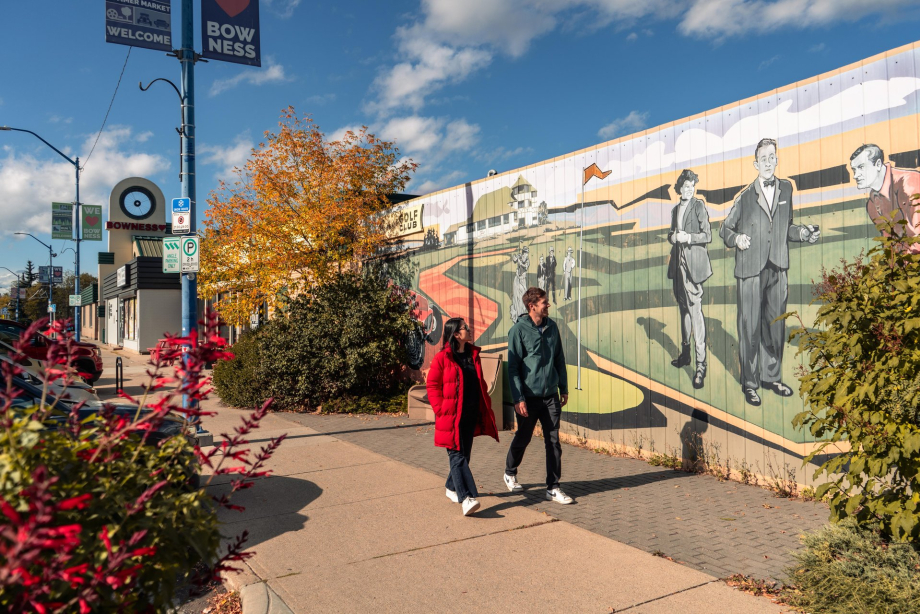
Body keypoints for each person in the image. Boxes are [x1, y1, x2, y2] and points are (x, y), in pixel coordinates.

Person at [719, 138, 820, 407]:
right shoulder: (744, 198)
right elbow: (724, 229)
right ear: (756, 163)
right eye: (762, 158)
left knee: (775, 327)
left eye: (771, 157)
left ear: (776, 159)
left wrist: (803, 234)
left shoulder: (786, 189)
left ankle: (772, 377)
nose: (767, 162)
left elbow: (786, 228)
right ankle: (751, 384)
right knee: (750, 328)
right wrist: (737, 239)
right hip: (750, 271)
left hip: (778, 268)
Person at [503, 287, 573, 504]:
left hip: (550, 395)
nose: (548, 305)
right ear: (532, 306)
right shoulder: (519, 331)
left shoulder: (552, 327)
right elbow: (513, 368)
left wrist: (564, 386)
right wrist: (518, 398)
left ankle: (553, 487)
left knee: (553, 441)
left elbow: (559, 358)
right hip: (528, 397)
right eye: (544, 302)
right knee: (523, 437)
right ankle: (510, 471)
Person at [426, 317, 499, 516]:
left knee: (464, 456)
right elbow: (432, 386)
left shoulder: (472, 355)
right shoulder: (443, 358)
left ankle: (451, 487)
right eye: (465, 328)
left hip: (470, 414)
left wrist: (485, 405)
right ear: (456, 334)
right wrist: (441, 410)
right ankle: (466, 497)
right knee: (457, 456)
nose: (469, 329)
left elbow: (479, 382)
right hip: (450, 417)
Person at [667, 169, 712, 389]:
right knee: (683, 309)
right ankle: (686, 355)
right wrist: (673, 237)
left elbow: (708, 235)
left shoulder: (699, 206)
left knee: (695, 311)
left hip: (694, 267)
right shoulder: (675, 209)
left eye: (692, 186)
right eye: (685, 186)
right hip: (678, 267)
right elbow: (669, 234)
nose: (689, 189)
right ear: (680, 188)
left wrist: (689, 237)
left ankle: (701, 364)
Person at [850, 144, 920, 247]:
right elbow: (889, 243)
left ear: (878, 164)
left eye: (861, 167)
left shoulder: (909, 183)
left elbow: (917, 237)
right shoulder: (872, 204)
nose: (855, 175)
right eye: (854, 169)